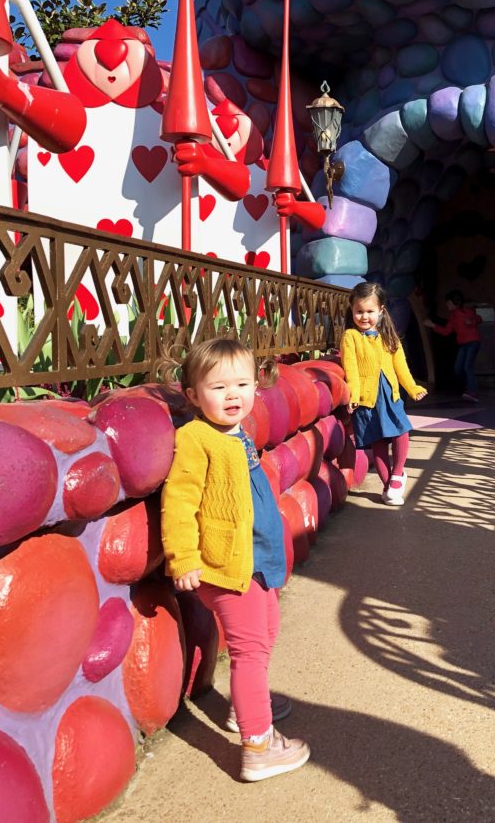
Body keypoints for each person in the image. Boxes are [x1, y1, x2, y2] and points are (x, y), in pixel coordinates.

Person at [160, 336, 310, 783]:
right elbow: (180, 501)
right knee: (248, 650)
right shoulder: (195, 438)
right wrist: (183, 558)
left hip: (254, 557)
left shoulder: (236, 431)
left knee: (264, 636)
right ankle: (258, 746)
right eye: (219, 387)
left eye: (242, 385)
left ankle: (250, 706)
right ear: (192, 395)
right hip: (224, 564)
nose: (233, 396)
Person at [340, 282, 426, 506]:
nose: (364, 316)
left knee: (401, 430)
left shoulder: (389, 336)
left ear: (381, 310)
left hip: (389, 393)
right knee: (376, 440)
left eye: (370, 311)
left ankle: (397, 474)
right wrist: (355, 396)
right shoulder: (350, 337)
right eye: (359, 311)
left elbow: (401, 366)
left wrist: (412, 388)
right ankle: (388, 486)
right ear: (352, 311)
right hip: (367, 398)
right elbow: (351, 369)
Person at [424, 290, 482, 402]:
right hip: (463, 345)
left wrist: (472, 321)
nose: (447, 305)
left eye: (449, 303)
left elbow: (479, 318)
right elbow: (446, 331)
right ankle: (468, 387)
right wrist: (432, 325)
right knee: (457, 368)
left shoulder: (466, 311)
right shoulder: (453, 317)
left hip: (473, 342)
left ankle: (473, 392)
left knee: (467, 366)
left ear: (455, 302)